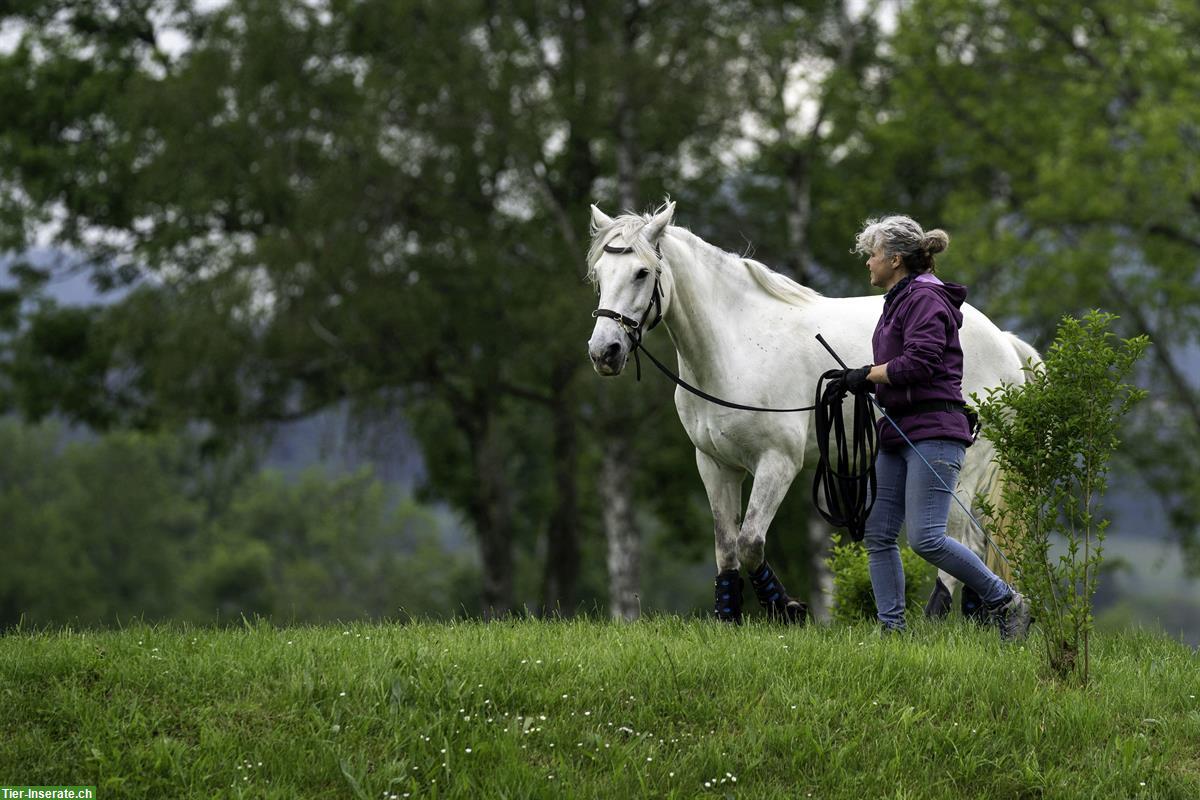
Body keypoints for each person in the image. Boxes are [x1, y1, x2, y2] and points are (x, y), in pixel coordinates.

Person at [835, 215, 1032, 640]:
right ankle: (892, 630)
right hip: (899, 430)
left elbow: (921, 362)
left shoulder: (925, 298)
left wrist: (868, 374)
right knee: (879, 534)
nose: (868, 263)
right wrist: (862, 378)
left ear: (896, 260)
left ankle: (1007, 601)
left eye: (873, 255)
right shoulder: (899, 299)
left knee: (926, 538)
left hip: (934, 431)